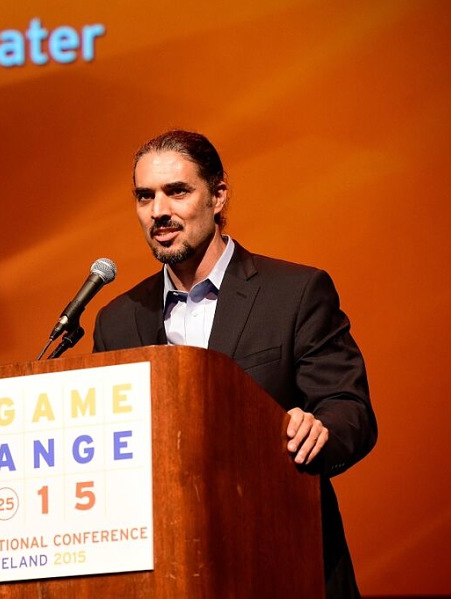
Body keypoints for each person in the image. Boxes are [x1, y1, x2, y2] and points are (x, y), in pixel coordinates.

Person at [92, 129, 377, 598]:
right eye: (145, 196)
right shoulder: (118, 321)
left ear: (218, 195)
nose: (159, 210)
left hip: (282, 560)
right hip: (163, 574)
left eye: (177, 191)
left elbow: (350, 409)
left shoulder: (294, 293)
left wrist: (319, 429)